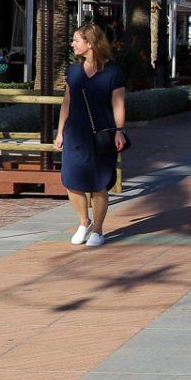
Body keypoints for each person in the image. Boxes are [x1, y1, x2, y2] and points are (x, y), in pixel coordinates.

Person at [56, 23, 127, 248]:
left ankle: (97, 229)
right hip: (74, 133)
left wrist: (119, 131)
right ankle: (83, 222)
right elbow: (66, 102)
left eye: (76, 40)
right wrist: (60, 132)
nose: (72, 44)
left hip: (101, 134)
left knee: (99, 183)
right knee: (71, 180)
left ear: (90, 43)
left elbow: (118, 103)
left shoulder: (113, 71)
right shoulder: (73, 71)